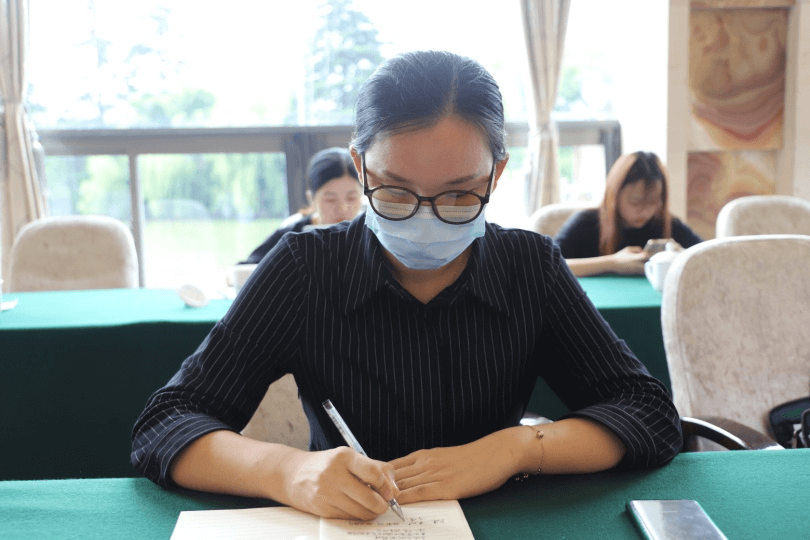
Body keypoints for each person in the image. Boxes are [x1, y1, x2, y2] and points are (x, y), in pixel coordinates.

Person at [132, 51, 681, 522]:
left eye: (459, 194)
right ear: (359, 166)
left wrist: (517, 449)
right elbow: (167, 423)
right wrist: (289, 470)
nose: (426, 218)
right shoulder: (306, 269)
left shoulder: (528, 268)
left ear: (496, 173)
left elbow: (648, 410)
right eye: (394, 192)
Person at [553, 151, 703, 277]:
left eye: (653, 202)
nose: (645, 211)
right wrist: (612, 262)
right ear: (614, 196)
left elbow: (710, 257)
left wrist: (682, 255)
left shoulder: (667, 224)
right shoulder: (586, 223)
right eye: (635, 201)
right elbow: (549, 266)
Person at [240, 147, 363, 264]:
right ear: (311, 199)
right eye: (330, 199)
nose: (342, 208)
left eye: (351, 198)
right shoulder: (292, 234)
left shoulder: (370, 230)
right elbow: (246, 268)